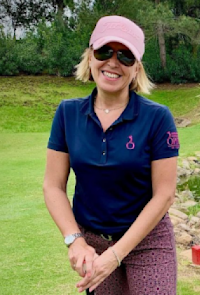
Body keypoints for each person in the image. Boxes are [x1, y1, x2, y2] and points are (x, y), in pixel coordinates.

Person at [43, 15, 179, 295]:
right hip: (92, 240)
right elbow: (53, 186)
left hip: (147, 241)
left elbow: (164, 194)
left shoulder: (157, 118)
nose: (113, 62)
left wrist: (116, 255)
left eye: (125, 56)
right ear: (90, 56)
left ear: (136, 67)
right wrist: (75, 241)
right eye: (105, 51)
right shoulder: (67, 113)